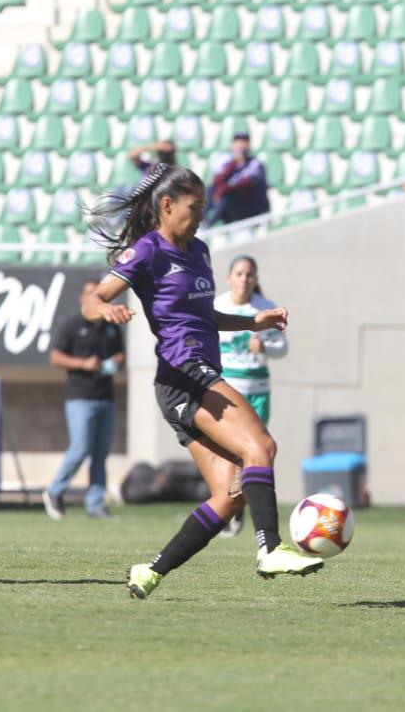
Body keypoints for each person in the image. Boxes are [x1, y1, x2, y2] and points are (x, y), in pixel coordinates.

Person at [84, 163, 324, 599]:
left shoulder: (200, 251)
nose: (200, 218)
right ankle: (269, 549)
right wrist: (106, 311)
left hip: (189, 380)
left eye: (204, 209)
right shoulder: (147, 251)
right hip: (184, 375)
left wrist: (252, 322)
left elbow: (203, 315)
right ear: (167, 205)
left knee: (230, 495)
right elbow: (93, 299)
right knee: (261, 446)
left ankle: (149, 572)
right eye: (194, 209)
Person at [214, 254, 289, 537]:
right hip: (228, 388)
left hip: (257, 389)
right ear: (229, 277)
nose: (244, 279)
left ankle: (239, 511)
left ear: (255, 279)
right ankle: (227, 507)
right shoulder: (217, 306)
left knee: (254, 451)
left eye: (249, 274)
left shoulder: (266, 307)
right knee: (227, 451)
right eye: (239, 273)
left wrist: (266, 348)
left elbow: (282, 348)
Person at [42, 279, 126, 521]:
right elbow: (56, 357)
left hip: (106, 397)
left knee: (100, 455)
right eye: (90, 294)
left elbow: (120, 354)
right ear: (82, 298)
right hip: (80, 397)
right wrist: (83, 364)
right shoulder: (71, 325)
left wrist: (115, 363)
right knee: (80, 448)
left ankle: (95, 504)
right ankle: (54, 491)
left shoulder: (111, 326)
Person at [205, 132, 270, 226]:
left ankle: (209, 226)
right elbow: (216, 181)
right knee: (210, 189)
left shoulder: (255, 164)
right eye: (237, 144)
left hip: (249, 208)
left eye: (243, 144)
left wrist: (223, 190)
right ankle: (201, 220)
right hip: (229, 207)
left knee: (228, 195)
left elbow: (246, 184)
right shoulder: (227, 163)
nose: (240, 147)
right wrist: (233, 163)